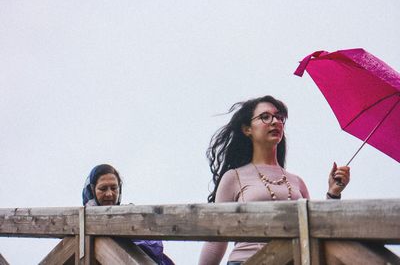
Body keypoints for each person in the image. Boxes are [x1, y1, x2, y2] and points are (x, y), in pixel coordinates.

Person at [198, 95, 350, 265]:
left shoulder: (297, 181)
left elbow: (315, 229)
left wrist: (333, 194)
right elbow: (217, 237)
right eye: (265, 117)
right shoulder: (234, 177)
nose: (275, 121)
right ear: (247, 129)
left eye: (279, 117)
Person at [82, 164, 174, 265]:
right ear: (92, 190)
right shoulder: (80, 224)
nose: (109, 194)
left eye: (114, 188)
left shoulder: (132, 217)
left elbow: (154, 248)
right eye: (103, 188)